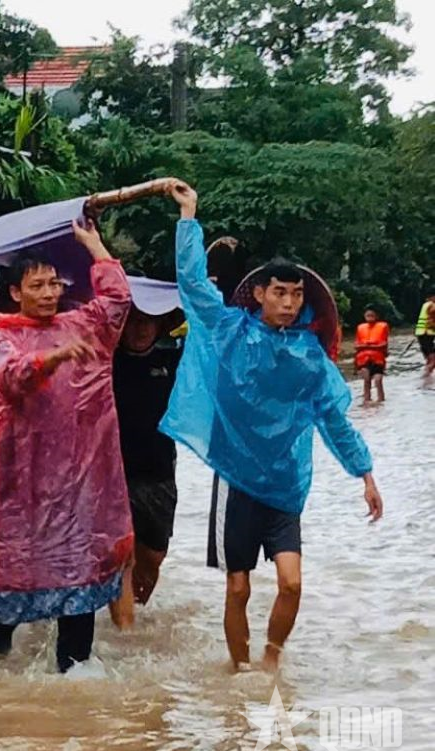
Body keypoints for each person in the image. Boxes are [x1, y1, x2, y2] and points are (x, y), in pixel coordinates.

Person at [159, 180, 383, 673]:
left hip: (284, 485)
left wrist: (365, 474)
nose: (289, 302)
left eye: (296, 294)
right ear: (259, 294)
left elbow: (333, 421)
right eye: (280, 292)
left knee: (292, 584)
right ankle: (239, 675)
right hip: (236, 482)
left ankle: (271, 660)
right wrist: (189, 216)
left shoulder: (308, 357)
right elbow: (193, 286)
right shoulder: (231, 330)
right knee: (238, 587)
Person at [0, 219, 133, 673]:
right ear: (15, 292)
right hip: (23, 489)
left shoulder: (82, 323)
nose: (49, 293)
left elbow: (118, 300)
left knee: (79, 578)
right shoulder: (2, 335)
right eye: (37, 286)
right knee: (12, 583)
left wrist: (93, 244)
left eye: (53, 284)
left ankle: (74, 682)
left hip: (81, 485)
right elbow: (12, 376)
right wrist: (57, 356)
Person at [109, 295, 183, 629]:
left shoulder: (173, 362)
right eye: (134, 320)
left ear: (159, 326)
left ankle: (133, 614)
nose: (140, 329)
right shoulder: (105, 362)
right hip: (112, 475)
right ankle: (125, 634)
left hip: (159, 473)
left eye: (148, 321)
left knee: (152, 557)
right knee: (120, 556)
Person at [354, 305, 390, 403]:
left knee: (378, 380)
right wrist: (373, 345)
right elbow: (356, 346)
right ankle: (366, 401)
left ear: (376, 316)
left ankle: (381, 402)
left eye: (372, 315)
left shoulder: (383, 326)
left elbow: (384, 344)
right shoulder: (360, 327)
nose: (369, 317)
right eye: (368, 315)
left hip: (378, 359)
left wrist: (366, 345)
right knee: (366, 379)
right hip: (363, 359)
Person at [415, 291, 435, 377]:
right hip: (426, 334)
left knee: (429, 360)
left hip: (422, 335)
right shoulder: (432, 305)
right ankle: (424, 377)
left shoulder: (425, 305)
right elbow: (431, 322)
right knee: (433, 360)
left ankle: (426, 380)